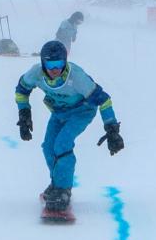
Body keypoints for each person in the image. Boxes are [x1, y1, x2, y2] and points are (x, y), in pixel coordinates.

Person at [15, 40, 124, 221]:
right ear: (43, 63)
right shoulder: (36, 73)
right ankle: (57, 184)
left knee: (63, 144)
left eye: (59, 64)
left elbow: (104, 100)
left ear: (65, 62)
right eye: (50, 64)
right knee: (48, 147)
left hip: (82, 112)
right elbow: (21, 89)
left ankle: (63, 190)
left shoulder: (76, 77)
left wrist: (112, 129)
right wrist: (24, 114)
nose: (55, 69)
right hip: (59, 113)